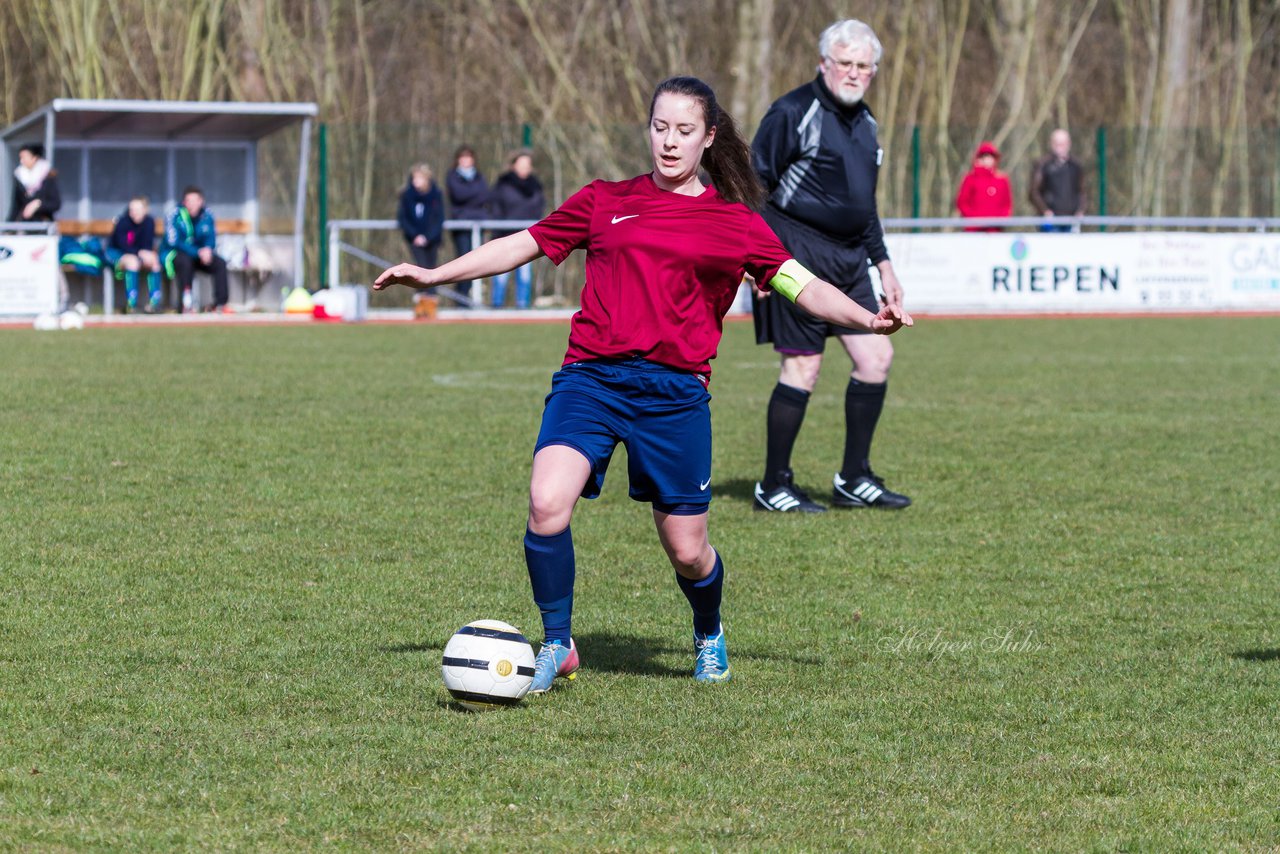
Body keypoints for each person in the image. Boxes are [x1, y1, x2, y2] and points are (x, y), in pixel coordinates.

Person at [373, 76, 911, 693]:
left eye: (685, 131)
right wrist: (436, 274)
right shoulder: (604, 199)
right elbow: (522, 245)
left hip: (675, 395)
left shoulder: (735, 222)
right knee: (547, 504)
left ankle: (708, 630)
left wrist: (868, 318)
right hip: (591, 379)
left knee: (687, 550)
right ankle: (557, 643)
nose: (670, 142)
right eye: (660, 128)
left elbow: (801, 284)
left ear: (709, 138)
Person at [750, 18, 911, 514]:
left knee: (875, 359)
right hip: (794, 253)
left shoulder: (867, 125)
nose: (854, 73)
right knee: (803, 366)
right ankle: (773, 485)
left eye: (864, 66)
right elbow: (752, 186)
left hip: (849, 261)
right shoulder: (792, 111)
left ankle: (854, 477)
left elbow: (865, 207)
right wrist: (755, 260)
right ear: (824, 64)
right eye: (845, 63)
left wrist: (884, 266)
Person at [488, 149, 545, 308]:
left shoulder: (535, 185)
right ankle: (496, 308)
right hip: (504, 237)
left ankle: (522, 308)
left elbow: (539, 206)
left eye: (528, 165)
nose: (525, 168)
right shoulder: (502, 184)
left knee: (525, 276)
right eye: (522, 165)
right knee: (500, 275)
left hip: (528, 238)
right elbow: (495, 208)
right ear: (513, 165)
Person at [159, 186, 229, 313]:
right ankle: (186, 304)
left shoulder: (207, 215)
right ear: (184, 202)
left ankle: (220, 304)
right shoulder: (174, 215)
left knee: (220, 263)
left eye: (194, 201)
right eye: (188, 201)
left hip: (199, 256)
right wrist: (197, 252)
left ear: (201, 201)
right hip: (175, 255)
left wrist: (207, 250)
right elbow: (174, 242)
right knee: (185, 262)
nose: (191, 204)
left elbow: (211, 237)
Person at [396, 163, 445, 317]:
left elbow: (439, 218)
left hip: (432, 239)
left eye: (419, 178)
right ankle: (420, 304)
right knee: (418, 269)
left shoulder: (436, 195)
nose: (416, 181)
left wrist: (428, 236)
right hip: (414, 239)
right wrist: (415, 235)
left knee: (431, 269)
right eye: (414, 178)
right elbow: (403, 218)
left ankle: (430, 305)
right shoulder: (407, 195)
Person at [445, 146, 490, 304]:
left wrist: (470, 196)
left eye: (468, 157)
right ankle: (461, 302)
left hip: (479, 226)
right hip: (461, 227)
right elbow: (459, 194)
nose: (466, 160)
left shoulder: (479, 176)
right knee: (463, 264)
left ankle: (469, 300)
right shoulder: (452, 176)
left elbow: (485, 195)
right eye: (462, 157)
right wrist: (474, 195)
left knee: (478, 264)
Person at [106, 195, 163, 312]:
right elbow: (123, 246)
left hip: (137, 255)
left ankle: (153, 304)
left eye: (137, 210)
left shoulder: (149, 222)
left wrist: (146, 255)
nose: (134, 213)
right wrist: (139, 253)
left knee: (154, 262)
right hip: (117, 254)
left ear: (145, 210)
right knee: (132, 262)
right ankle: (131, 305)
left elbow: (147, 245)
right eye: (132, 210)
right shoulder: (123, 222)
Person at [1029, 128, 1084, 232]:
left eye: (1063, 143)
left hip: (1071, 220)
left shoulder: (1075, 165)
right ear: (1051, 144)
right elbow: (1033, 191)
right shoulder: (1043, 164)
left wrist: (1080, 210)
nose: (1060, 147)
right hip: (1050, 221)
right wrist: (1044, 210)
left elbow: (1082, 191)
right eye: (1057, 143)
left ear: (1069, 143)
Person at [955, 141, 1013, 231]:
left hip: (995, 230)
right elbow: (962, 202)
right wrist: (974, 219)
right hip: (974, 230)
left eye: (991, 157)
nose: (988, 160)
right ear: (978, 158)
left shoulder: (1002, 180)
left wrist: (1001, 219)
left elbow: (1007, 204)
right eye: (985, 156)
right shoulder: (970, 179)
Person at [8, 144, 61, 223]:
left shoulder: (47, 176)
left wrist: (38, 204)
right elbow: (16, 207)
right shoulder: (19, 177)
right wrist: (8, 228)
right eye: (20, 158)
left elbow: (56, 204)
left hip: (44, 226)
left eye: (24, 157)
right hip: (27, 226)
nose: (21, 161)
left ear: (34, 158)